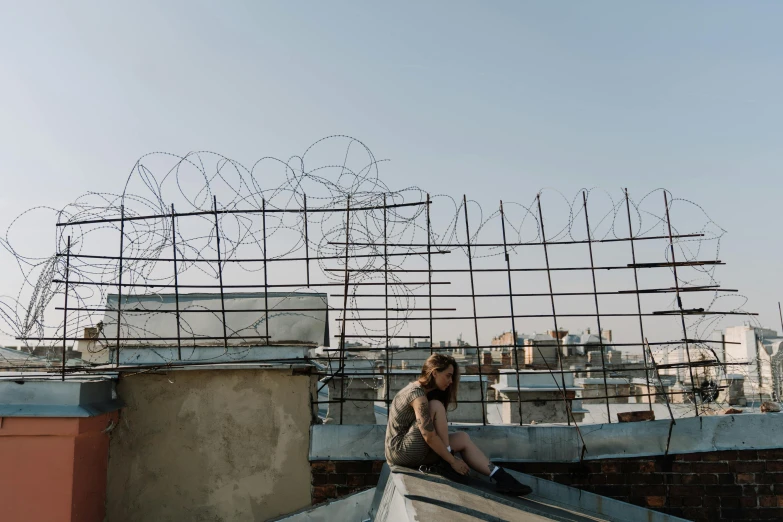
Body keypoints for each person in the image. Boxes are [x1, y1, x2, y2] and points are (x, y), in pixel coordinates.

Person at [384, 353, 531, 495]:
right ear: (434, 373)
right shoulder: (416, 394)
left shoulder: (423, 393)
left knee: (462, 438)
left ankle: (502, 477)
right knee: (436, 405)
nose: (451, 381)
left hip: (408, 451)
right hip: (400, 452)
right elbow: (428, 435)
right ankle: (446, 462)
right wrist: (452, 460)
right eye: (448, 375)